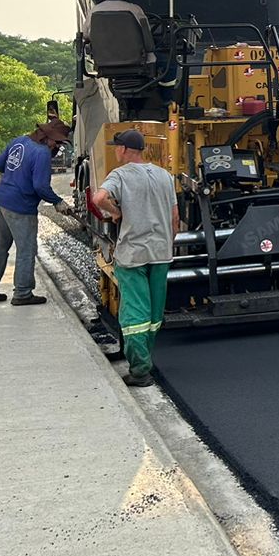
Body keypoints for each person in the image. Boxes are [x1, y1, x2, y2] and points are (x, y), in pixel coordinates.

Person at [91, 129, 178, 388]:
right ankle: (146, 358)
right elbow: (174, 217)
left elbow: (99, 198)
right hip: (161, 253)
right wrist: (168, 242)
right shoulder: (164, 175)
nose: (115, 151)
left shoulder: (121, 175)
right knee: (153, 311)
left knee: (135, 312)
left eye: (116, 147)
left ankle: (140, 371)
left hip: (133, 254)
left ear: (124, 149)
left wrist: (115, 212)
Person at [0, 117, 71, 306]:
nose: (58, 147)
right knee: (26, 249)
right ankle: (23, 293)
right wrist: (58, 201)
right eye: (58, 142)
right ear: (49, 138)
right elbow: (40, 186)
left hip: (0, 200)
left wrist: (16, 175)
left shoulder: (19, 141)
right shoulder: (42, 153)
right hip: (21, 206)